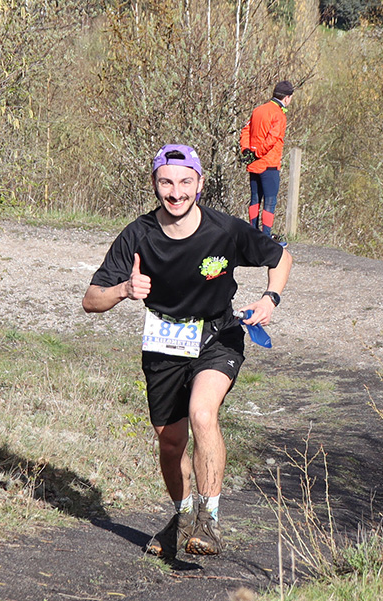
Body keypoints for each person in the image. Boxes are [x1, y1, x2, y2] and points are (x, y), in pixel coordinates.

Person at [82, 144, 292, 558]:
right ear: (155, 184)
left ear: (199, 183)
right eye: (166, 182)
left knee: (202, 413)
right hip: (163, 344)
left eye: (185, 182)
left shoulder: (224, 230)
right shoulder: (138, 234)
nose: (176, 192)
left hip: (217, 335)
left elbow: (281, 257)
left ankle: (208, 521)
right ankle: (182, 519)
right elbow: (91, 299)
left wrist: (271, 297)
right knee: (171, 443)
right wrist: (124, 289)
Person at [240, 80, 294, 246]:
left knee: (255, 199)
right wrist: (258, 152)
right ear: (287, 98)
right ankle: (266, 239)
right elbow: (272, 139)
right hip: (269, 164)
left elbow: (245, 130)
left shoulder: (258, 110)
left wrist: (246, 150)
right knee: (270, 201)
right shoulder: (279, 115)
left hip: (254, 164)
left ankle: (253, 235)